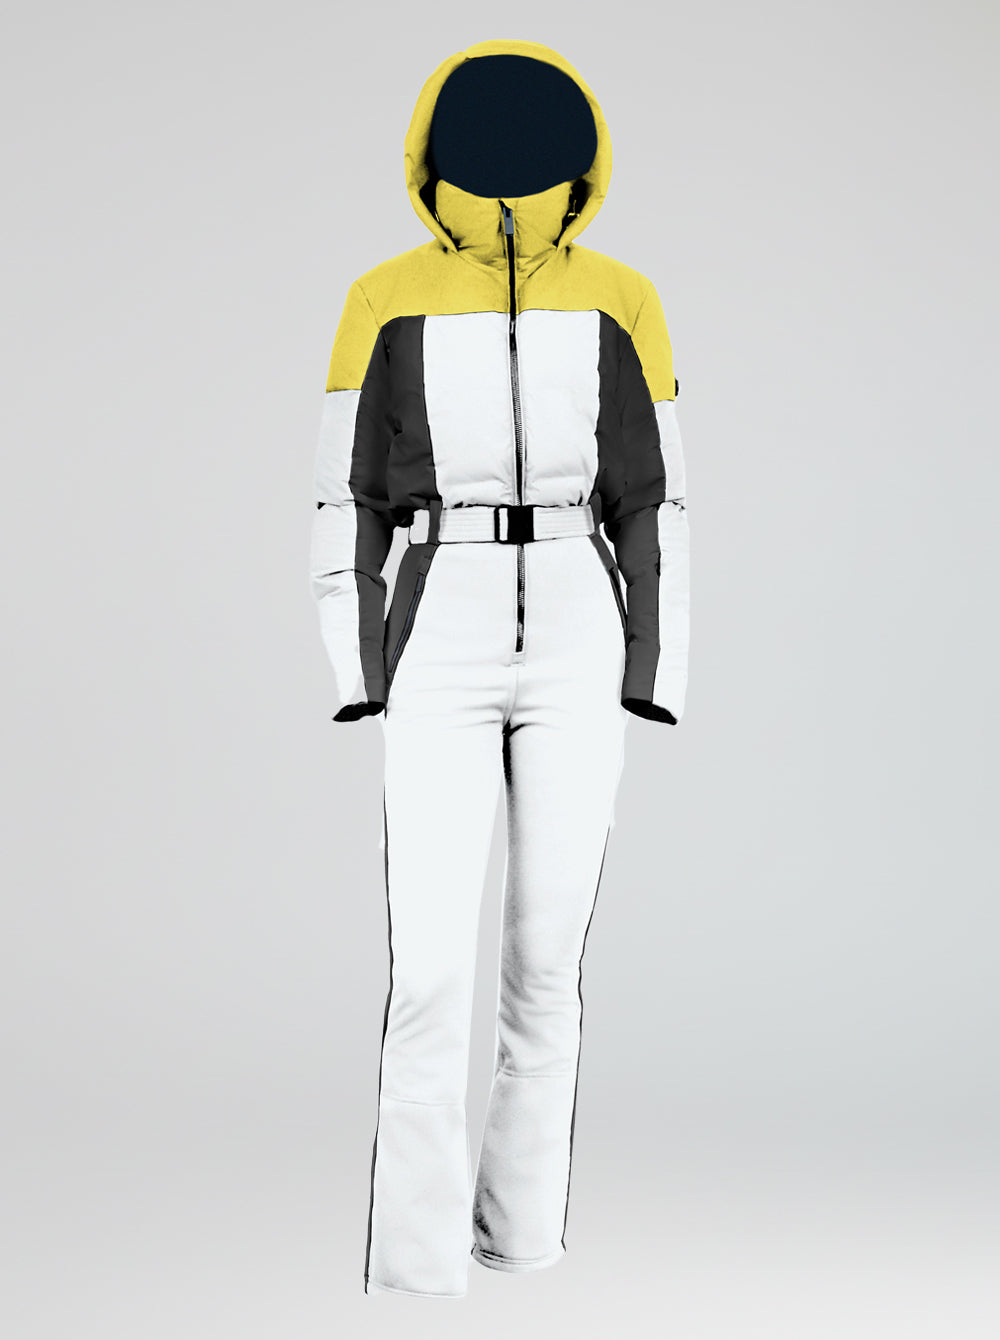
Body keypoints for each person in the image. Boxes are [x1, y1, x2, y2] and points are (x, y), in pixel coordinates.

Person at [308, 37, 690, 1298]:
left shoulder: (625, 296)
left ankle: (519, 1241)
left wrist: (653, 661)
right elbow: (347, 493)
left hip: (578, 628)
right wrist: (357, 656)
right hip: (442, 628)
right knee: (428, 969)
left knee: (545, 966)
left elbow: (655, 495)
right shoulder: (383, 296)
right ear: (436, 151)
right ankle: (419, 1269)